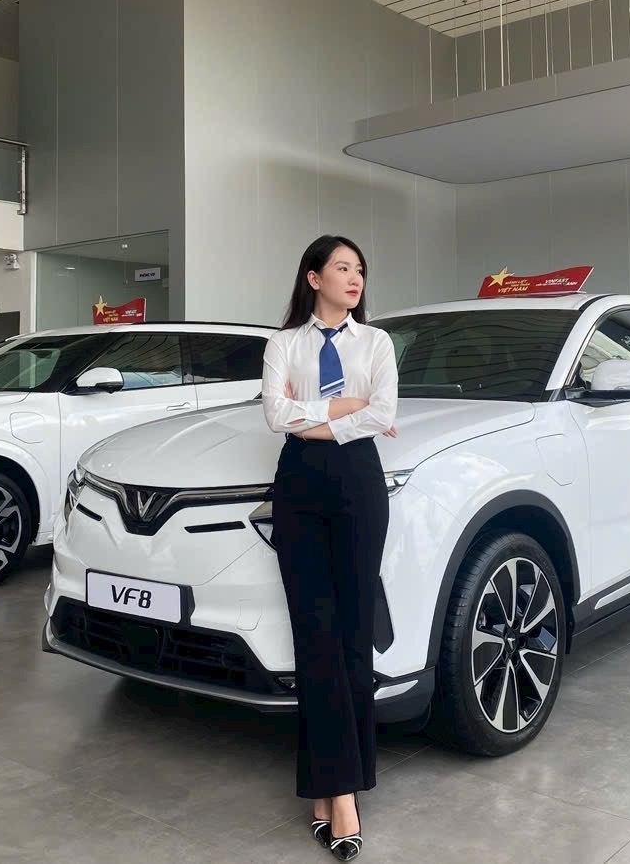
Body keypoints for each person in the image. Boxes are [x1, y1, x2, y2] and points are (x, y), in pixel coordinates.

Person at [262, 235, 398, 861]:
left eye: (360, 269)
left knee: (351, 634)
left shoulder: (376, 343)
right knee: (313, 635)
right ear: (313, 277)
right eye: (342, 268)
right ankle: (341, 791)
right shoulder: (283, 344)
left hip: (359, 483)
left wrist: (315, 412)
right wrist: (346, 407)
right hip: (298, 484)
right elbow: (275, 415)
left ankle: (333, 789)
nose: (354, 278)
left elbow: (382, 412)